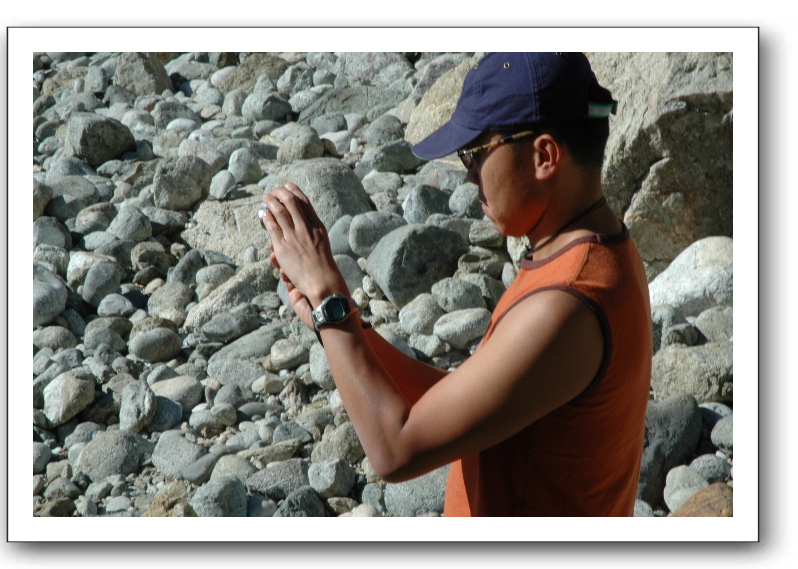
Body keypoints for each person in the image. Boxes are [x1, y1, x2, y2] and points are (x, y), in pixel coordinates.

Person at [260, 52, 652, 516]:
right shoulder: (592, 251)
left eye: (475, 153)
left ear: (544, 156)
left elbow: (396, 450)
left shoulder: (566, 303)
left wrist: (329, 299)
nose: (468, 174)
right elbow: (463, 400)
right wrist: (345, 324)